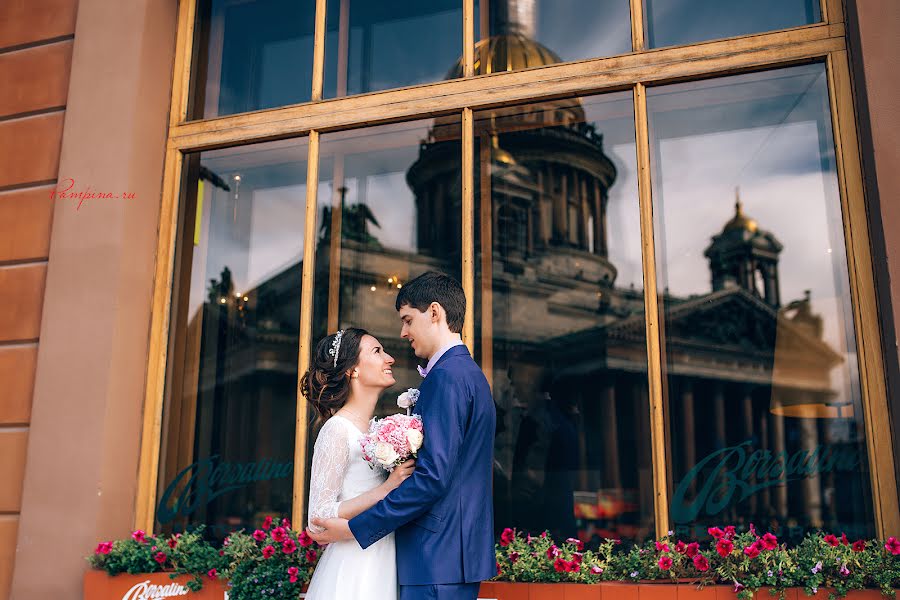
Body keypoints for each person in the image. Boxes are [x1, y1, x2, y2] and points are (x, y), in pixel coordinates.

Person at [308, 271, 497, 600]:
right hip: (442, 556)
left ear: (435, 313)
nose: (403, 333)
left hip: (436, 555)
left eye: (408, 320)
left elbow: (432, 478)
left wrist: (357, 528)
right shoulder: (466, 373)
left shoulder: (447, 377)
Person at [301, 327, 416, 600]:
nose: (390, 358)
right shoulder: (337, 430)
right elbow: (318, 519)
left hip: (384, 559)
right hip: (353, 567)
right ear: (353, 370)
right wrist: (385, 489)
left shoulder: (376, 431)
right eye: (377, 351)